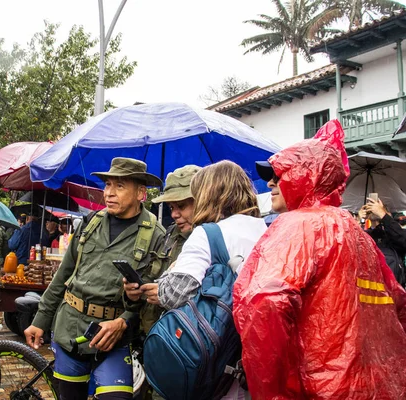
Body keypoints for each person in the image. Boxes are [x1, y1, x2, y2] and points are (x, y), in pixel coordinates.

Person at [233, 120, 406, 399]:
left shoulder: (298, 226)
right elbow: (398, 301)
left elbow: (264, 302)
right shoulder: (357, 234)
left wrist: (272, 393)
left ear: (305, 176)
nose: (270, 183)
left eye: (280, 174)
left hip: (317, 389)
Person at [25, 157, 166, 400]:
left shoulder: (156, 236)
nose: (109, 193)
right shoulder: (89, 224)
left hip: (113, 338)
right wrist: (40, 319)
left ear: (141, 193)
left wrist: (123, 322)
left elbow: (150, 297)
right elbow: (63, 276)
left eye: (120, 186)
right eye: (108, 185)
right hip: (70, 329)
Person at [135, 161, 266, 400]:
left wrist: (168, 275)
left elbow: (174, 294)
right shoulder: (267, 230)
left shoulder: (208, 233)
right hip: (255, 361)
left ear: (207, 194)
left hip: (215, 359)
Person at [123, 165, 201, 335]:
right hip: (154, 336)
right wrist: (134, 294)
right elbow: (153, 278)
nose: (174, 214)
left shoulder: (213, 242)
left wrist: (168, 297)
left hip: (186, 343)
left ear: (202, 201)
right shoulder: (171, 234)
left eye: (181, 206)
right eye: (172, 207)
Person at [358, 198, 406, 286]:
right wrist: (359, 221)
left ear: (389, 214)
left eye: (380, 207)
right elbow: (350, 247)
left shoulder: (394, 234)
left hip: (393, 290)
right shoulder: (365, 234)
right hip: (370, 290)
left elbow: (402, 239)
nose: (374, 209)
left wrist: (383, 215)